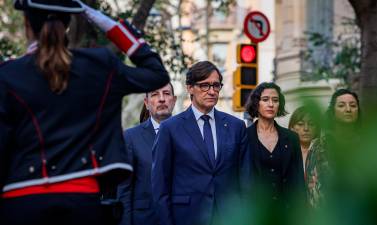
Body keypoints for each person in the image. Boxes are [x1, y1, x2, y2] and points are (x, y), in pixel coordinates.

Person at [0, 1, 169, 225]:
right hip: (82, 202)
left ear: (26, 25)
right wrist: (109, 25)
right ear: (69, 24)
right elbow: (156, 74)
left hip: (21, 202)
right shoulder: (99, 65)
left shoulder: (8, 74)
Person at [151, 61, 250, 225]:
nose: (211, 91)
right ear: (190, 88)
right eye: (204, 86)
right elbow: (160, 186)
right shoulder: (170, 128)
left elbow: (246, 180)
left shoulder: (236, 126)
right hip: (186, 217)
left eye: (216, 85)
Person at [118, 83, 176, 225]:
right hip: (145, 219)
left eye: (166, 94)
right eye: (155, 94)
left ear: (174, 100)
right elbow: (124, 191)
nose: (161, 99)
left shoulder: (188, 134)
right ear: (147, 103)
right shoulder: (130, 137)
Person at [245, 82, 306, 208]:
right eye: (265, 99)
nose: (271, 104)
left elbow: (299, 181)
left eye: (275, 100)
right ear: (257, 103)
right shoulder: (244, 137)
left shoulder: (291, 138)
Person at [288, 106, 325, 207]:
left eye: (311, 124)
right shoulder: (284, 152)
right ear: (291, 127)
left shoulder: (324, 154)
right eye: (300, 124)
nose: (306, 129)